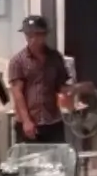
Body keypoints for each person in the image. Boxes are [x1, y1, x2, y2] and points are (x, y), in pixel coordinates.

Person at [8, 14, 72, 145]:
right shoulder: (18, 61)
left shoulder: (55, 58)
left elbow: (60, 86)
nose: (32, 39)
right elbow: (17, 93)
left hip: (52, 121)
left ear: (44, 35)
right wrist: (26, 121)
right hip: (30, 122)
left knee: (56, 156)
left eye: (36, 35)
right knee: (29, 157)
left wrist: (77, 90)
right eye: (29, 35)